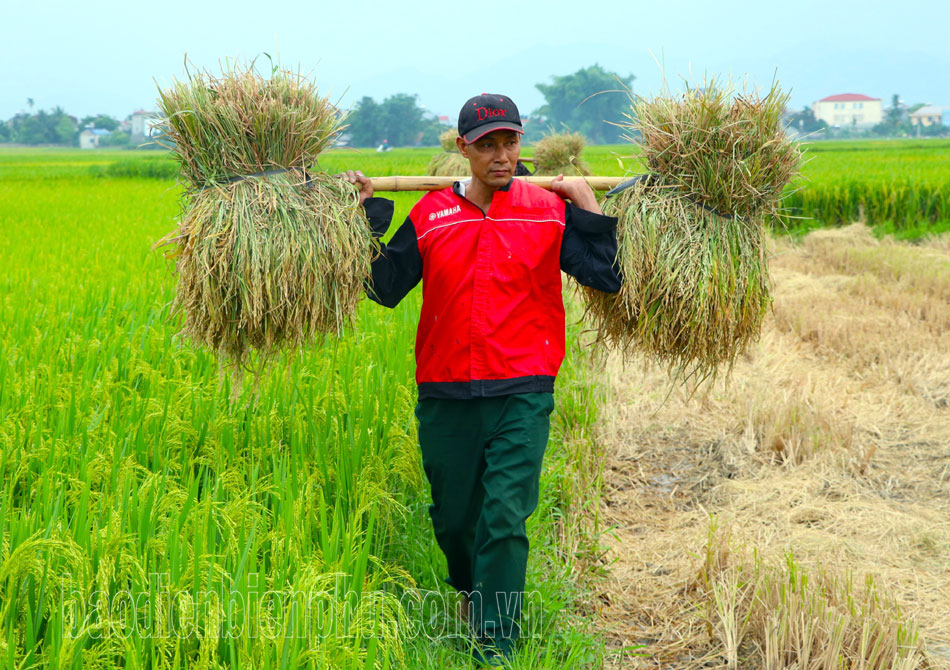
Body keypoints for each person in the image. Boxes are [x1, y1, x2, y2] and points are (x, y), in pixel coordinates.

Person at [341, 93, 620, 665]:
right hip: (445, 390)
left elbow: (604, 276)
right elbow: (384, 287)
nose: (501, 155)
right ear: (464, 148)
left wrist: (587, 204)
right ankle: (470, 592)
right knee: (454, 518)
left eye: (510, 143)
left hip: (523, 388)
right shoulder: (432, 215)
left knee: (504, 516)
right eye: (488, 145)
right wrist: (365, 213)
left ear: (521, 145)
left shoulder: (545, 209)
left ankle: (496, 646)